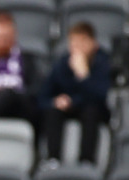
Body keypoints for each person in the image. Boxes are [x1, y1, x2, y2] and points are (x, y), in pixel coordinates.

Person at [38, 21, 111, 168]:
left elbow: (101, 97)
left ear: (93, 43)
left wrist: (83, 76)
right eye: (74, 43)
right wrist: (56, 102)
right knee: (53, 112)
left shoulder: (103, 63)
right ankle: (53, 160)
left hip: (93, 109)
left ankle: (87, 161)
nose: (77, 48)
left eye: (82, 42)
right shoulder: (62, 64)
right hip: (68, 108)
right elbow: (42, 98)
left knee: (91, 111)